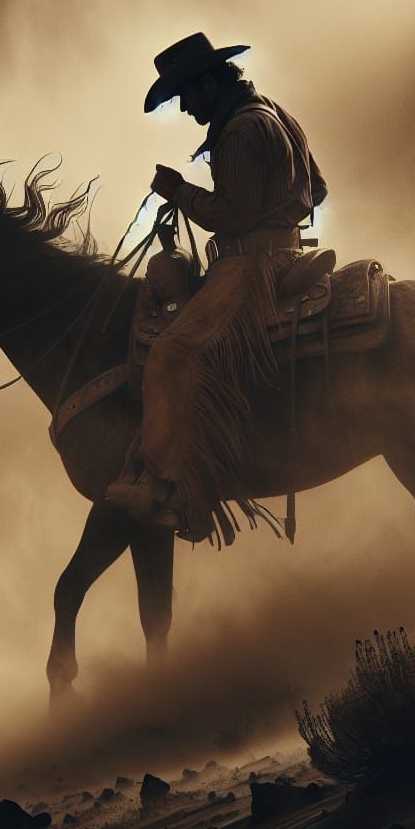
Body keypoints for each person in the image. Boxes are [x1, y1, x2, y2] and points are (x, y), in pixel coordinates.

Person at [107, 32, 327, 542]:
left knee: (171, 350)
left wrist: (178, 191)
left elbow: (232, 214)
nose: (184, 108)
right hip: (286, 251)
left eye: (186, 95)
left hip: (252, 267)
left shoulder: (241, 131)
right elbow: (318, 188)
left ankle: (165, 487)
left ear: (208, 82)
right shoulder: (274, 113)